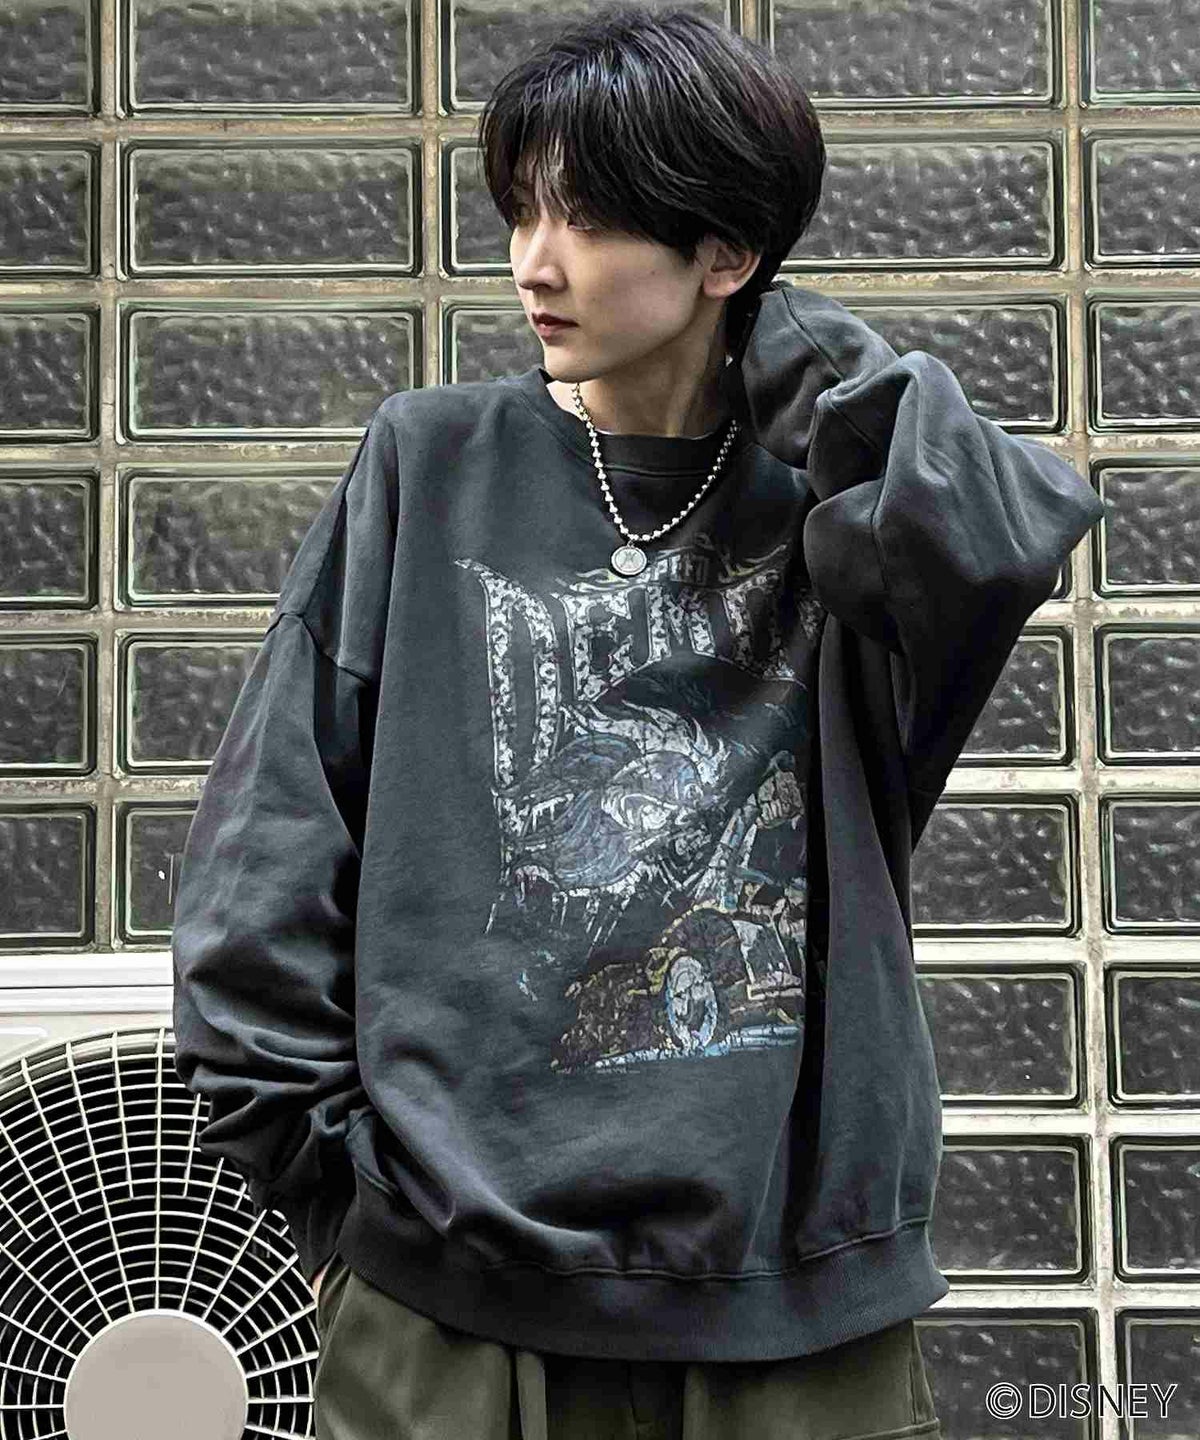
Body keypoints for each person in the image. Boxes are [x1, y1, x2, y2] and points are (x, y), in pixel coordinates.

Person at [170, 7, 1107, 1437]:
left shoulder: (846, 517)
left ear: (723, 254)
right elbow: (267, 864)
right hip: (453, 1304)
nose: (534, 263)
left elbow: (994, 543)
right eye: (523, 210)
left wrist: (807, 358)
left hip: (796, 1316)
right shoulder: (429, 464)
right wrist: (358, 1213)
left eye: (593, 219)